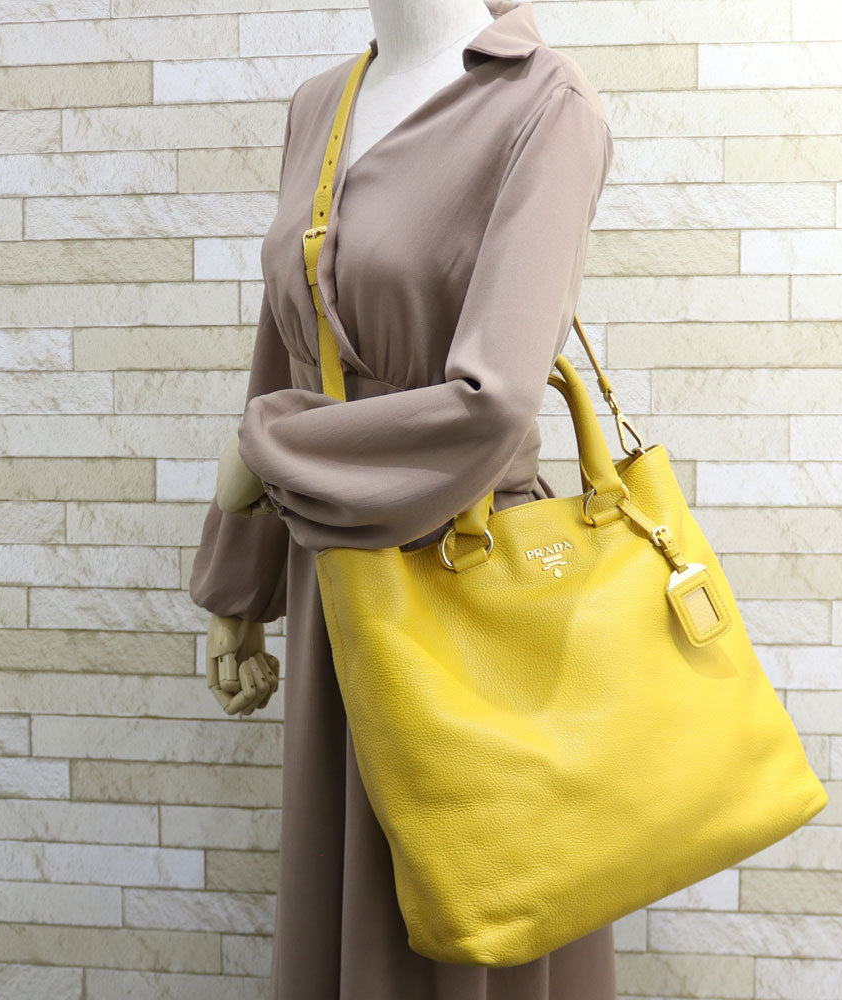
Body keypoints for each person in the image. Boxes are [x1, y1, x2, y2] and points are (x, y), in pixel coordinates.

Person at [189, 0, 617, 995]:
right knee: (354, 903)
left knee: (476, 900)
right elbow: (290, 352)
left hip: (471, 570)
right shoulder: (320, 104)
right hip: (333, 565)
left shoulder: (545, 101)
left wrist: (268, 454)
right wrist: (239, 589)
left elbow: (494, 400)